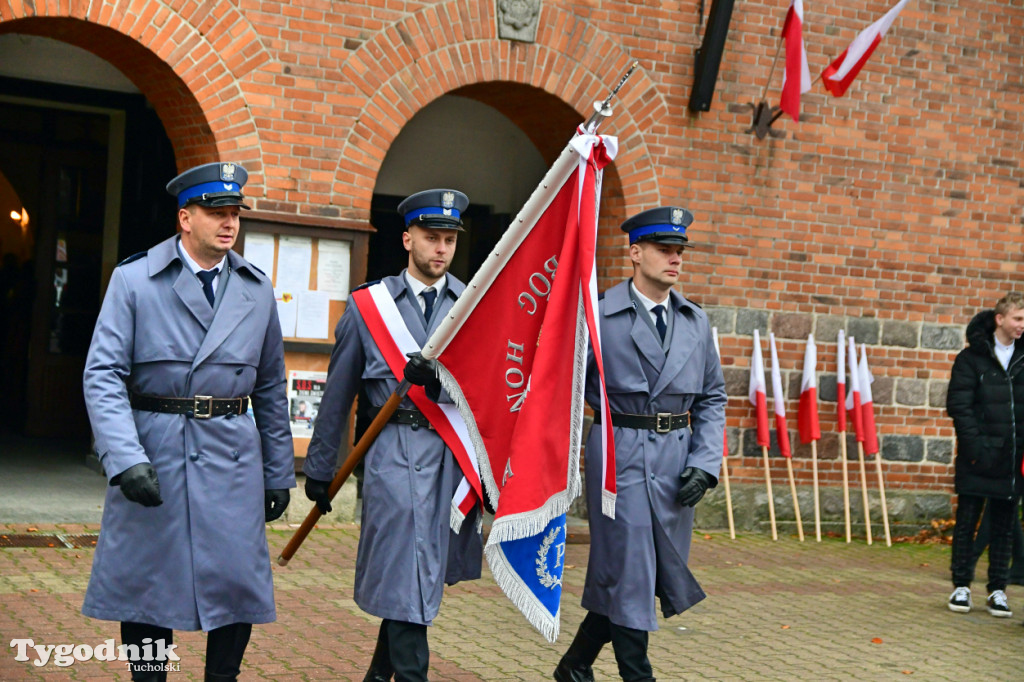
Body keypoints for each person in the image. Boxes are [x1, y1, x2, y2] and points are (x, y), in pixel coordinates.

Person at [81, 162, 295, 682]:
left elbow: (269, 386)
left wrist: (280, 472)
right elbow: (103, 373)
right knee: (148, 589)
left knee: (236, 585)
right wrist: (124, 458)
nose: (228, 223)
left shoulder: (255, 288)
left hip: (233, 456)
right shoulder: (134, 280)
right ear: (185, 218)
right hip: (156, 450)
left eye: (234, 214)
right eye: (215, 212)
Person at [303, 189, 482, 682]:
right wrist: (319, 470)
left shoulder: (470, 306)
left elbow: (485, 391)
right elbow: (338, 395)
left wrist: (443, 382)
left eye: (449, 239)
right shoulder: (369, 306)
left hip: (448, 458)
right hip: (391, 454)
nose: (441, 249)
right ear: (408, 239)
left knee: (417, 573)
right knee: (408, 568)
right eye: (431, 238)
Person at [554, 207, 727, 682]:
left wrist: (705, 462)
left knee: (641, 575)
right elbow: (562, 389)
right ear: (635, 253)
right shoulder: (599, 314)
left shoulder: (695, 321)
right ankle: (638, 674)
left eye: (679, 251)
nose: (674, 259)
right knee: (630, 571)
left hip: (676, 458)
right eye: (663, 249)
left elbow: (713, 397)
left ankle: (574, 666)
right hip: (619, 452)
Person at [946, 291, 1024, 618]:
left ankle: (998, 590)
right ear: (1000, 319)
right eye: (1018, 318)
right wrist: (976, 448)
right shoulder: (970, 359)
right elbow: (959, 407)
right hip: (977, 457)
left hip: (1012, 457)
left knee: (1005, 526)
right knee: (967, 521)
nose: (1022, 325)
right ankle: (961, 585)